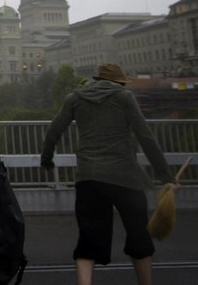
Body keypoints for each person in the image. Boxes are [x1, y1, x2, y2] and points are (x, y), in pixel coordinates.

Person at [40, 63, 176, 285]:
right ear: (119, 82)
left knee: (88, 241)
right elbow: (145, 136)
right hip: (125, 178)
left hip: (89, 178)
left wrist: (46, 160)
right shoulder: (124, 97)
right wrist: (166, 177)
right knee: (139, 238)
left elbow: (54, 130)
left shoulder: (74, 97)